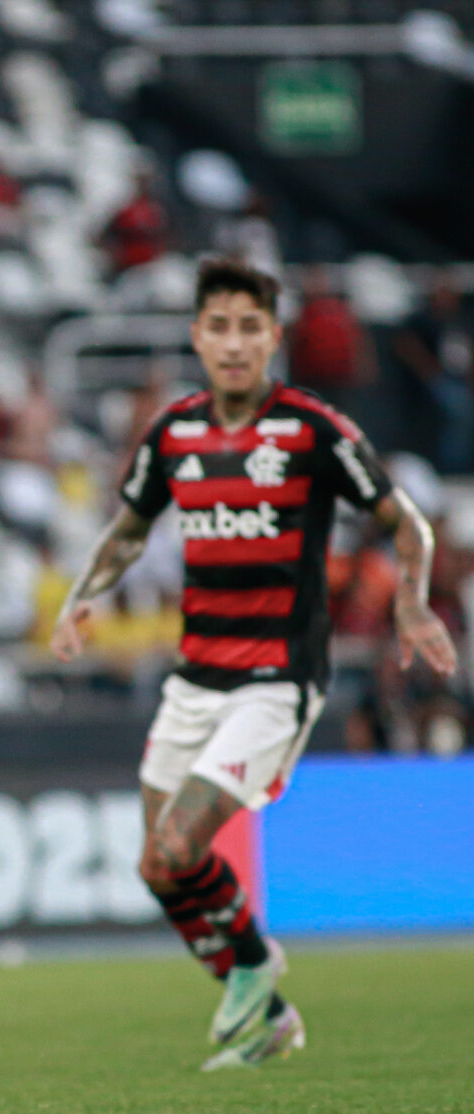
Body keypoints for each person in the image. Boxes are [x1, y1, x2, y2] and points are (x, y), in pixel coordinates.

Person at [52, 258, 457, 1070]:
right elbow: (130, 529)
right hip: (194, 677)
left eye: (250, 328)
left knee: (176, 845)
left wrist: (411, 602)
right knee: (156, 867)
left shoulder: (312, 429)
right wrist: (82, 595)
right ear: (199, 337)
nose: (234, 343)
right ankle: (262, 1004)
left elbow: (404, 521)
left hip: (275, 681)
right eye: (219, 327)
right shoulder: (176, 435)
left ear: (273, 337)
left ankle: (252, 965)